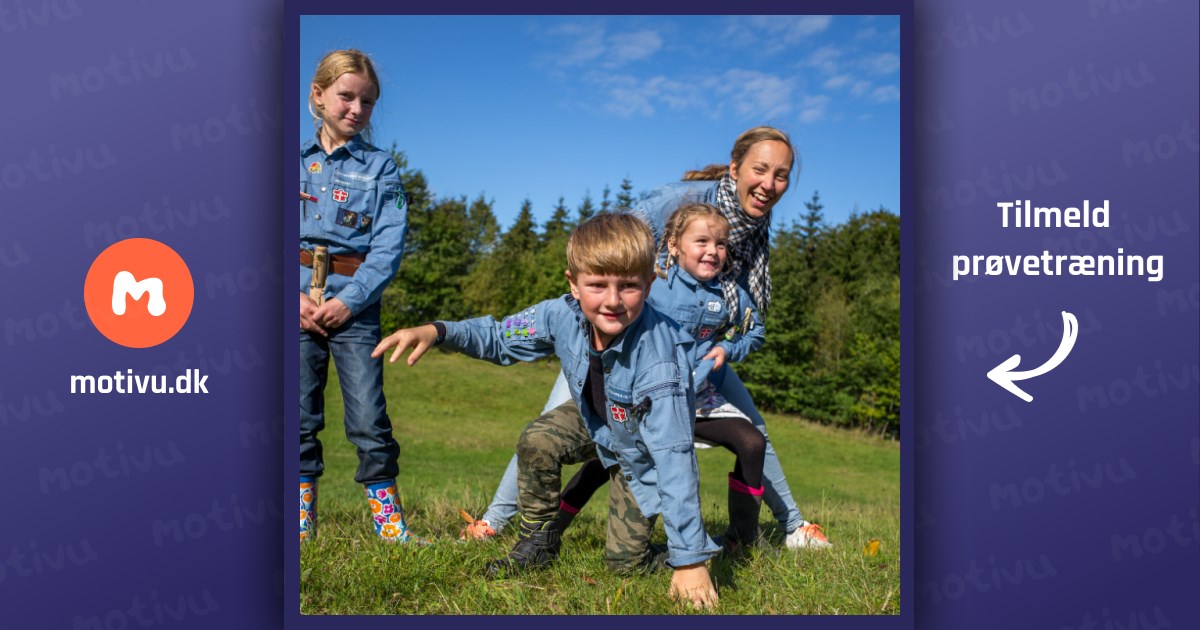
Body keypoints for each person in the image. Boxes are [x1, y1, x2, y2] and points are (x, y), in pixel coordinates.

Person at [464, 126, 832, 550]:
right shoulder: (679, 202)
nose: (769, 184)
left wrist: (725, 346)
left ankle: (794, 526)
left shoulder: (753, 228)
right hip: (618, 339)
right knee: (558, 418)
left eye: (781, 175)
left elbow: (744, 310)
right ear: (735, 168)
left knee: (753, 428)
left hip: (692, 350)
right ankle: (494, 521)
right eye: (760, 170)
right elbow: (610, 246)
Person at [373, 212, 722, 609]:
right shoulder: (561, 314)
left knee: (624, 565)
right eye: (596, 285)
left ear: (649, 283)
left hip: (642, 453)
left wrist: (690, 560)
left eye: (628, 286)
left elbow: (675, 459)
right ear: (572, 283)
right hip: (597, 420)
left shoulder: (662, 361)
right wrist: (437, 331)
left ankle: (696, 550)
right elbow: (500, 337)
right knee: (538, 438)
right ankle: (537, 541)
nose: (612, 300)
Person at [549, 203, 772, 549]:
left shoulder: (731, 294)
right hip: (643, 397)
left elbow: (754, 331)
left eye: (721, 244)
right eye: (701, 241)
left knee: (752, 442)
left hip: (696, 398)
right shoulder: (654, 285)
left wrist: (727, 350)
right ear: (673, 246)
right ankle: (550, 530)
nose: (713, 251)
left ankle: (740, 543)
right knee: (605, 459)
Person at [298, 49, 418, 544]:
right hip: (298, 307)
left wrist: (351, 300)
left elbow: (389, 246)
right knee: (299, 415)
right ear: (319, 95)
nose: (356, 109)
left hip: (356, 309)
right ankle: (300, 525)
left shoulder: (382, 169)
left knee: (368, 418)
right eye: (346, 96)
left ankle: (389, 527)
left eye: (367, 102)